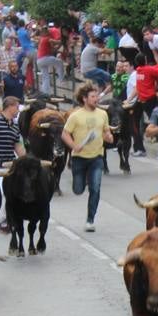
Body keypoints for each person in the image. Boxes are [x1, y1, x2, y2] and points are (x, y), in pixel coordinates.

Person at [61, 82, 113, 230]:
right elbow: (65, 134)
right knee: (78, 189)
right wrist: (73, 145)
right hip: (79, 157)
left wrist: (108, 136)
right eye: (93, 96)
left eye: (97, 96)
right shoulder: (75, 116)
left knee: (95, 188)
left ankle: (90, 220)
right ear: (84, 98)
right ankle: (81, 181)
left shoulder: (103, 114)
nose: (96, 98)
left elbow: (106, 131)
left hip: (97, 157)